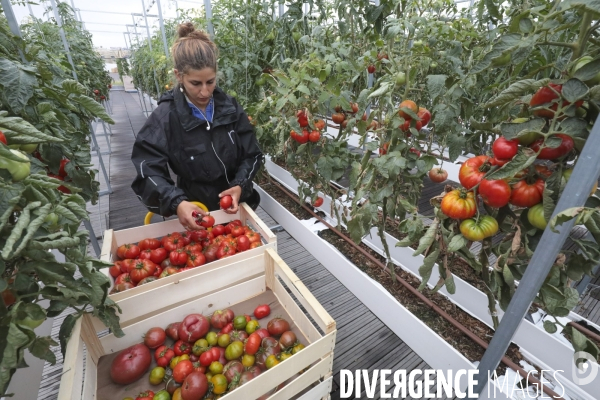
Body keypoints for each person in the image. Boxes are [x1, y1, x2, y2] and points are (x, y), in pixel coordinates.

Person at [131, 22, 262, 230]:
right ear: (179, 76)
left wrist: (239, 185)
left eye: (210, 82)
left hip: (237, 209)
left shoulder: (229, 108)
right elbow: (147, 168)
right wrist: (177, 202)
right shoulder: (165, 117)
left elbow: (252, 154)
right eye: (195, 83)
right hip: (197, 212)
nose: (205, 92)